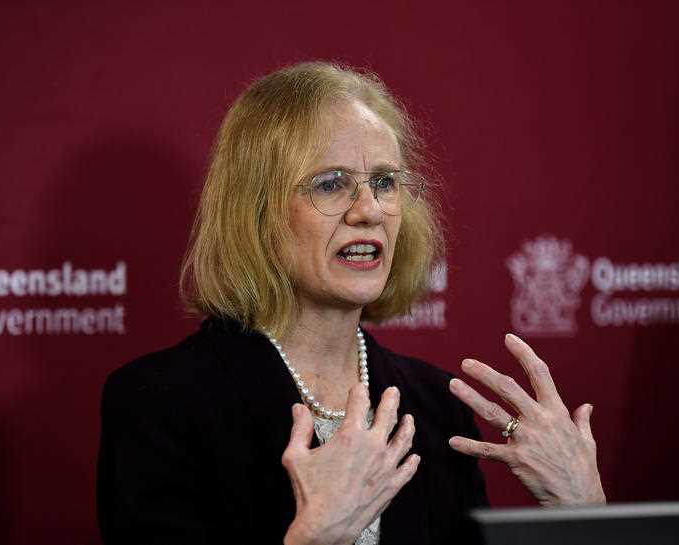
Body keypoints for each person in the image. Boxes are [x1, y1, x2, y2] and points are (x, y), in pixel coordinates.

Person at [96, 62, 605, 545]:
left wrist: (584, 513)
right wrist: (317, 536)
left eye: (384, 182)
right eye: (331, 184)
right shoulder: (161, 404)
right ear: (258, 211)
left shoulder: (434, 406)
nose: (368, 210)